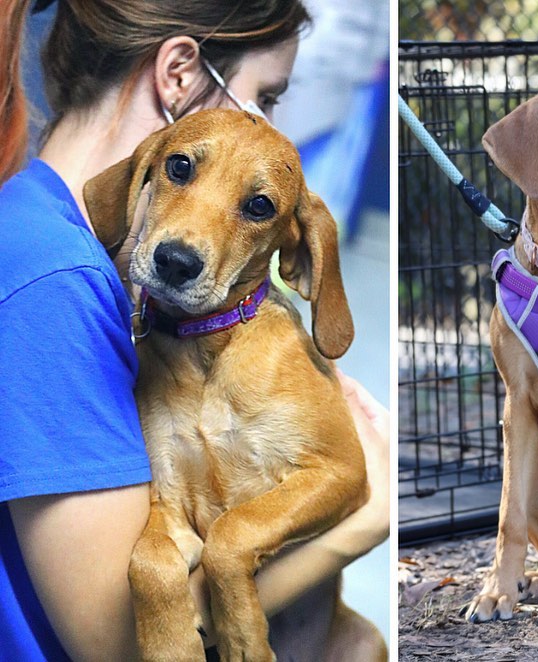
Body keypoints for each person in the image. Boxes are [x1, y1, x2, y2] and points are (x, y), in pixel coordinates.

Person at [0, 1, 389, 660]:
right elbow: (122, 646)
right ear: (179, 74)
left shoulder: (72, 249)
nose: (263, 125)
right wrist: (370, 518)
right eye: (265, 95)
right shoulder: (53, 281)